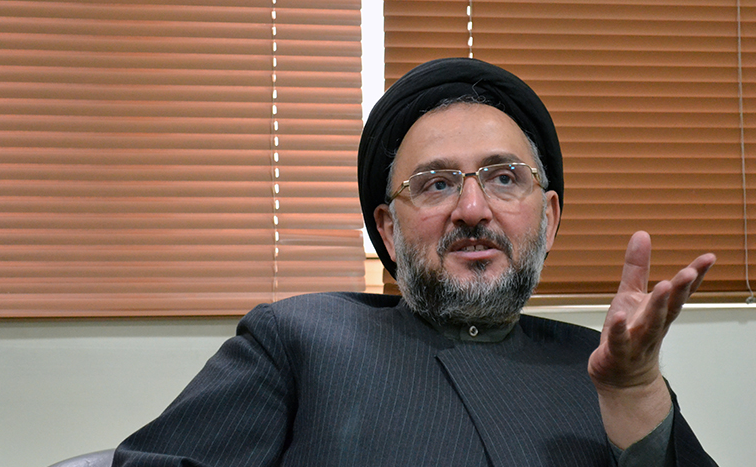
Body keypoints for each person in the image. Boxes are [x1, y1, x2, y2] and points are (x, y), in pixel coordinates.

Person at [112, 58, 718, 466]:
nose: (472, 208)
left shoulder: (606, 368)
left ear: (549, 218)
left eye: (504, 178)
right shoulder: (298, 339)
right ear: (387, 230)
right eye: (436, 184)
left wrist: (636, 393)